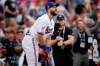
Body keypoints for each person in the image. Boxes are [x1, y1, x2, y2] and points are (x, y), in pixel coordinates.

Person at [22, 2, 59, 66]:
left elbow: (48, 37)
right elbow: (40, 36)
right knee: (33, 64)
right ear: (48, 9)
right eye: (53, 7)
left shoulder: (52, 22)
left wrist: (48, 51)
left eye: (56, 7)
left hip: (35, 42)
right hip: (30, 40)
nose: (56, 9)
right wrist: (45, 50)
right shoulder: (43, 19)